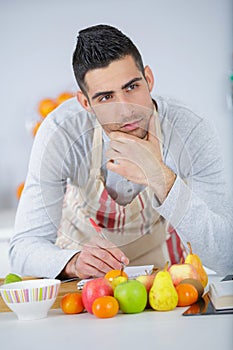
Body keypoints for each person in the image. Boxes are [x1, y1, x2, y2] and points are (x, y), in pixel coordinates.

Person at [9, 24, 233, 279]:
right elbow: (22, 249)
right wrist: (73, 262)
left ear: (148, 79)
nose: (125, 110)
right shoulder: (60, 133)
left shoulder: (192, 129)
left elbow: (227, 257)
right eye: (106, 98)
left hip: (169, 283)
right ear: (85, 103)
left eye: (132, 87)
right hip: (90, 289)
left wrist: (160, 176)